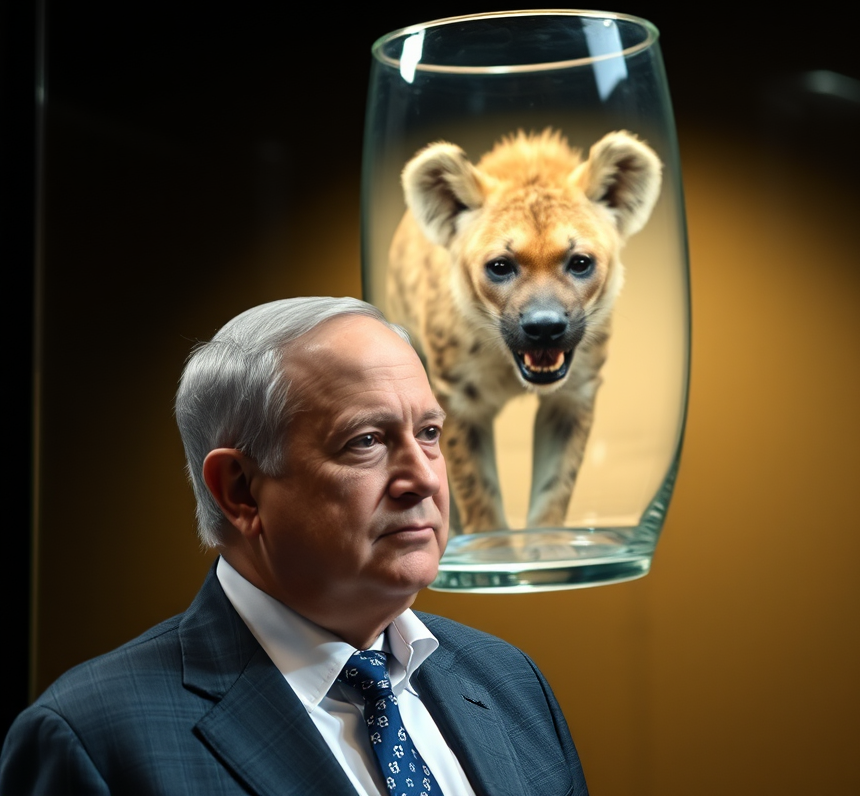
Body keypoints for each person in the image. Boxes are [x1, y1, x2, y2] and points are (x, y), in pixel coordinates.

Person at [0, 297, 588, 796]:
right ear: (240, 490)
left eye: (428, 434)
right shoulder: (94, 740)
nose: (425, 478)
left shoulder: (509, 681)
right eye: (366, 441)